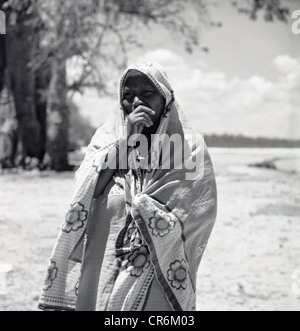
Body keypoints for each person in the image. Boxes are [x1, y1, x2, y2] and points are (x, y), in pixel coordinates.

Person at [38, 61, 217, 311]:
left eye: (147, 94)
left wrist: (142, 207)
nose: (136, 102)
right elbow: (87, 191)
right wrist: (127, 142)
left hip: (156, 272)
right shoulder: (107, 138)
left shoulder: (189, 146)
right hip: (103, 260)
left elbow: (198, 212)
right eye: (128, 95)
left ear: (165, 99)